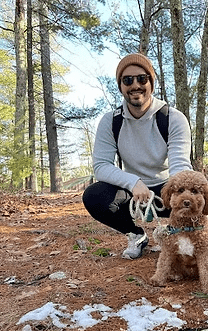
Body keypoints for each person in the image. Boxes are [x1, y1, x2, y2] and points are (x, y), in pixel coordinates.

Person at [82, 53, 192, 259]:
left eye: (142, 78)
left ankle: (178, 234)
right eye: (127, 80)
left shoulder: (174, 118)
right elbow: (101, 165)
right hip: (133, 192)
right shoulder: (110, 122)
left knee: (201, 191)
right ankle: (136, 235)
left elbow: (180, 165)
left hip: (166, 188)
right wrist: (133, 183)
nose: (135, 85)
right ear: (120, 86)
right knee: (93, 195)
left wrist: (178, 195)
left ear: (151, 82)